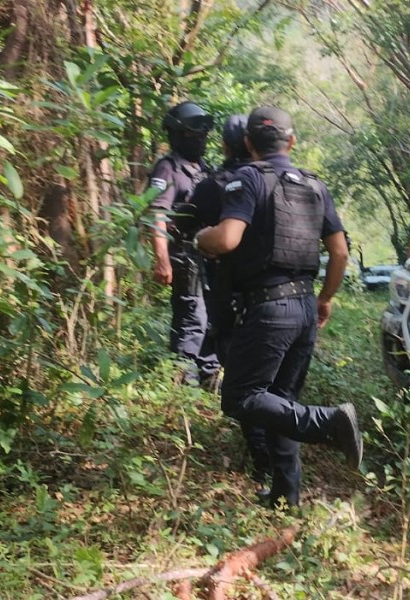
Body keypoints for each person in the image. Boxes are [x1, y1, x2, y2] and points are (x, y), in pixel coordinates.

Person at [194, 106, 362, 507]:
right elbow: (339, 254)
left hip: (269, 309)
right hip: (304, 305)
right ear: (292, 141)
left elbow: (228, 239)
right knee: (280, 400)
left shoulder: (247, 179)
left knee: (240, 397)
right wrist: (325, 299)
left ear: (249, 143)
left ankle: (329, 422)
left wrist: (202, 237)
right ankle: (286, 495)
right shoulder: (315, 186)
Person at [189, 114, 272, 496]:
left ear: (225, 145)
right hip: (277, 300)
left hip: (228, 299)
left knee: (240, 383)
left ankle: (263, 465)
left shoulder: (209, 189)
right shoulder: (277, 183)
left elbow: (194, 231)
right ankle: (278, 460)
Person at [147, 101, 221, 388]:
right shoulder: (167, 169)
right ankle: (183, 386)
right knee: (192, 320)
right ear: (178, 135)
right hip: (185, 258)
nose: (201, 138)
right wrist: (161, 259)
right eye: (194, 133)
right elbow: (157, 214)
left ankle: (209, 380)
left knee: (212, 320)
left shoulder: (204, 168)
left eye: (204, 133)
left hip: (209, 258)